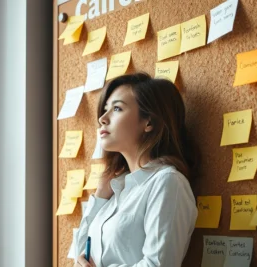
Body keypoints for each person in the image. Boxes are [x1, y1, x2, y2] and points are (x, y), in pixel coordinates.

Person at [72, 73, 198, 267]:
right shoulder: (115, 189)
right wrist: (100, 196)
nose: (102, 119)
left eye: (117, 108)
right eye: (105, 110)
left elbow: (158, 265)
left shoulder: (168, 182)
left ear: (149, 122)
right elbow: (80, 255)